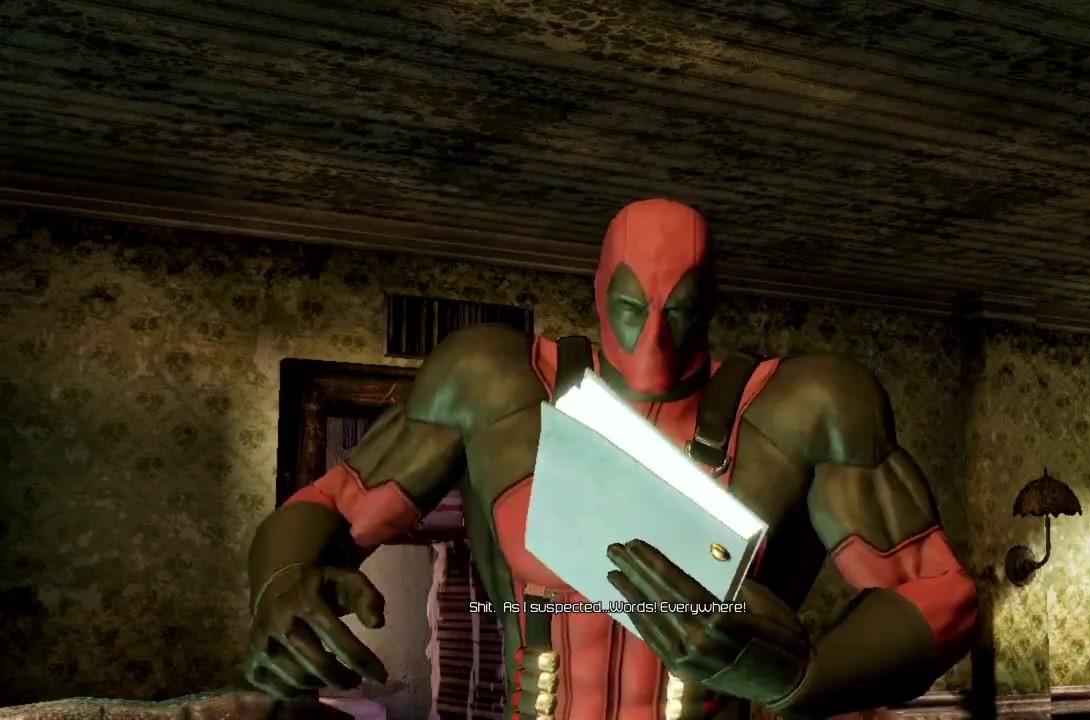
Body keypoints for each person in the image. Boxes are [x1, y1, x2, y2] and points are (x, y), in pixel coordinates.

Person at [242, 199, 979, 720]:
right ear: (599, 294)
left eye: (680, 311)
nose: (654, 340)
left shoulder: (808, 407)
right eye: (632, 309)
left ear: (711, 304)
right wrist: (281, 583)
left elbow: (943, 594)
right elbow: (331, 504)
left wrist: (806, 676)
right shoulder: (492, 383)